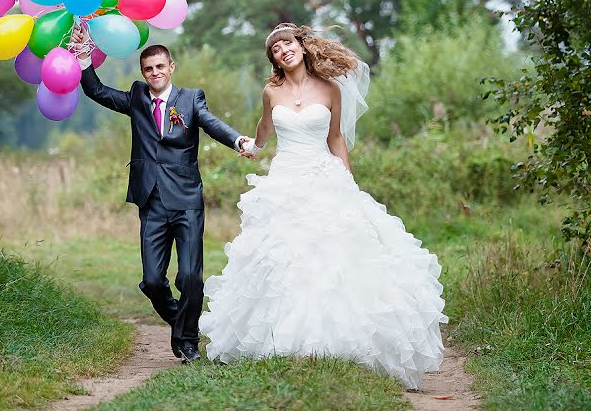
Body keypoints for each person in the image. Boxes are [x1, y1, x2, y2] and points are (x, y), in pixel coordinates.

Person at [199, 23, 447, 390]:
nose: (283, 51)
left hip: (322, 176)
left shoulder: (330, 89)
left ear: (301, 46)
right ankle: (285, 344)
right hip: (285, 181)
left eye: (287, 44)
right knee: (284, 260)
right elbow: (264, 131)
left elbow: (335, 139)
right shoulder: (271, 91)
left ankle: (339, 346)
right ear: (275, 61)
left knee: (332, 258)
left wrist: (346, 180)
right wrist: (250, 145)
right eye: (276, 50)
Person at [71, 23, 251, 363]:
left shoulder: (190, 98)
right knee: (153, 281)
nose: (155, 73)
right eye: (148, 69)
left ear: (171, 68)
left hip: (186, 200)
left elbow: (211, 123)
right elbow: (97, 91)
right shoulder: (138, 98)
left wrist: (238, 140)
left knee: (189, 277)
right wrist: (82, 58)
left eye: (160, 67)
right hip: (150, 201)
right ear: (144, 72)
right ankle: (184, 324)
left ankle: (187, 342)